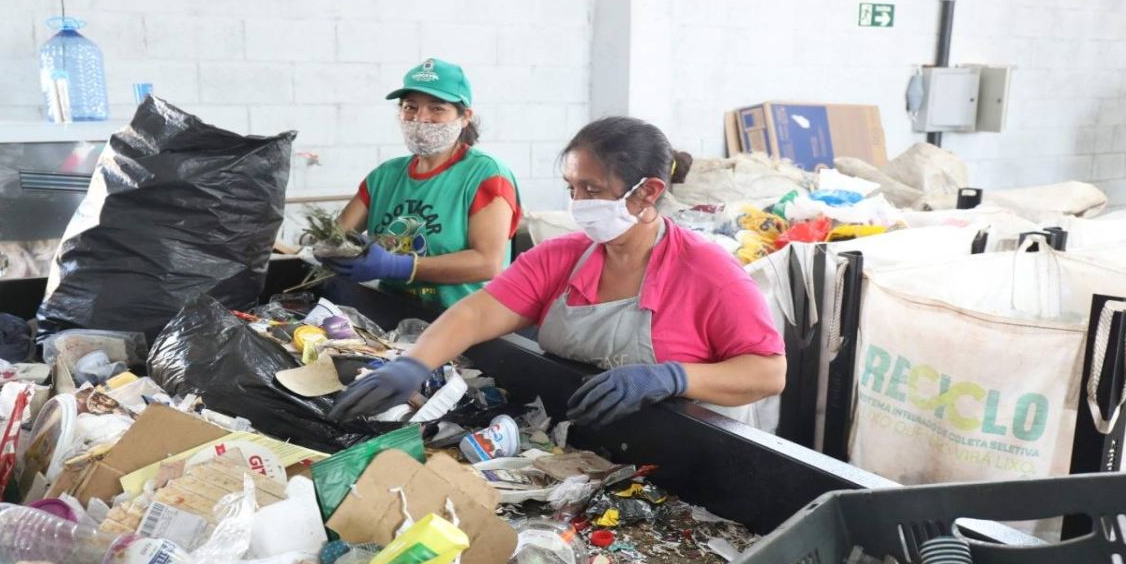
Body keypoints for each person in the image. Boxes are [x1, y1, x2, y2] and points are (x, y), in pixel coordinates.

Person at [329, 116, 786, 427]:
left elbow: (768, 372)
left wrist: (674, 378)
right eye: (572, 187)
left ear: (648, 192)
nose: (580, 202)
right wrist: (413, 363)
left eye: (593, 188)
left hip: (695, 450)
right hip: (588, 440)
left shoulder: (708, 272)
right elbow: (475, 314)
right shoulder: (562, 257)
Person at [324, 58, 521, 308]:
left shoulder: (485, 174)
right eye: (410, 107)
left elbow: (488, 263)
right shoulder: (385, 176)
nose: (421, 118)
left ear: (464, 117)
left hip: (466, 321)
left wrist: (397, 265)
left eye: (437, 108)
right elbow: (337, 236)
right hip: (393, 314)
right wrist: (330, 250)